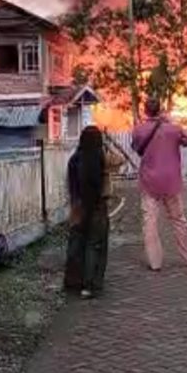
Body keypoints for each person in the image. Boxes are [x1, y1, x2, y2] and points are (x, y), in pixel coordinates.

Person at [131, 98, 187, 271]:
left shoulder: (139, 129)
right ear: (160, 110)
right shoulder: (173, 129)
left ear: (145, 111)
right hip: (171, 180)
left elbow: (136, 147)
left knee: (150, 222)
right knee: (178, 219)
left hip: (149, 181)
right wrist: (170, 122)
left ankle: (155, 262)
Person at [65, 126, 123, 299]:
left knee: (77, 244)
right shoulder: (102, 158)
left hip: (78, 207)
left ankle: (74, 282)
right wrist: (107, 144)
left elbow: (70, 185)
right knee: (94, 244)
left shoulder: (74, 159)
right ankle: (89, 285)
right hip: (98, 206)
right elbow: (120, 160)